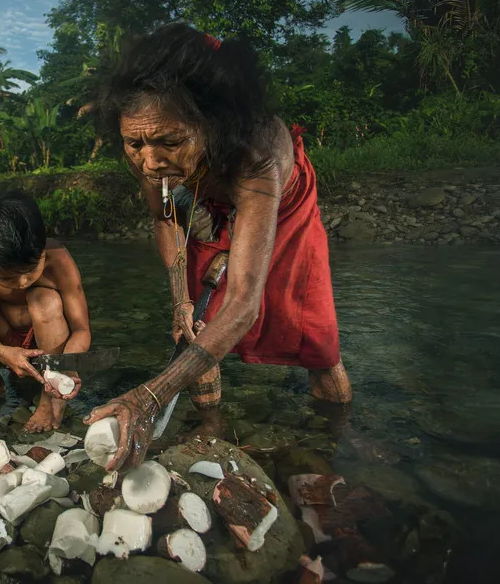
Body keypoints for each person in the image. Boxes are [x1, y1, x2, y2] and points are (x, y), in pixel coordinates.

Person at [84, 23, 353, 470]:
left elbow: (245, 303)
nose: (150, 162)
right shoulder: (147, 145)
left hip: (280, 206)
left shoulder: (257, 153)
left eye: (170, 141)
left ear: (212, 125)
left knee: (312, 327)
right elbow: (164, 216)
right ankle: (212, 424)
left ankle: (338, 438)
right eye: (136, 144)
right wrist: (180, 300)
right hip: (206, 194)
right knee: (194, 322)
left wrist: (149, 396)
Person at [0, 190, 92, 432]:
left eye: (32, 270)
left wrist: (65, 366)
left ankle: (51, 401)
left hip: (48, 341)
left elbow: (81, 329)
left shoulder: (60, 261)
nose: (23, 282)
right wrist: (4, 353)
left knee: (42, 296)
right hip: (5, 335)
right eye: (8, 278)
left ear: (43, 250)